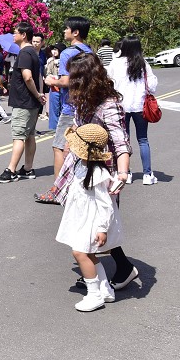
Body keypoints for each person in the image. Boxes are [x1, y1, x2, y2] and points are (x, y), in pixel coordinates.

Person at [63, 53, 139, 291]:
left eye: (73, 76)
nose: (69, 80)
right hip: (83, 168)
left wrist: (123, 175)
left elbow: (121, 142)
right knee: (91, 224)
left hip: (105, 173)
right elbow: (78, 128)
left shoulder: (109, 104)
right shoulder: (82, 100)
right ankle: (104, 273)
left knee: (98, 224)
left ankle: (100, 281)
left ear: (86, 77)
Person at [54, 123, 124, 312]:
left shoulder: (97, 173)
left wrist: (102, 228)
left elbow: (105, 204)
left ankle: (94, 295)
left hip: (93, 221)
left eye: (74, 144)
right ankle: (105, 289)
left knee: (79, 253)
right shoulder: (80, 165)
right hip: (82, 217)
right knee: (89, 254)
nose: (69, 147)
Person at [36, 17, 94, 204]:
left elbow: (67, 81)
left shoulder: (68, 53)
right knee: (78, 149)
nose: (64, 32)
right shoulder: (89, 51)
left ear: (75, 32)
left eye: (66, 29)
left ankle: (58, 191)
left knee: (59, 147)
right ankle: (77, 188)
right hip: (87, 105)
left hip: (71, 106)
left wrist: (52, 81)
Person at [0, 22, 46, 183]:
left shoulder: (24, 53)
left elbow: (28, 77)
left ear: (24, 35)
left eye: (15, 32)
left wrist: (38, 94)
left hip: (24, 101)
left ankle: (11, 170)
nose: (13, 35)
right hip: (31, 102)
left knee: (18, 136)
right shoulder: (33, 52)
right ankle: (28, 168)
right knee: (29, 135)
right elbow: (38, 77)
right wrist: (39, 95)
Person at [106, 36, 159, 185]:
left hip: (120, 106)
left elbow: (109, 81)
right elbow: (152, 85)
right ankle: (147, 175)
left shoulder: (115, 63)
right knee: (143, 139)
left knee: (123, 140)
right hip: (139, 105)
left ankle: (126, 173)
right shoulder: (143, 63)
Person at [45, 44, 62, 131]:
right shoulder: (50, 61)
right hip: (54, 86)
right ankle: (55, 128)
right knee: (54, 108)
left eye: (56, 49)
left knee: (63, 108)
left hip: (63, 86)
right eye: (53, 49)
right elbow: (48, 73)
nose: (54, 51)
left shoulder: (64, 60)